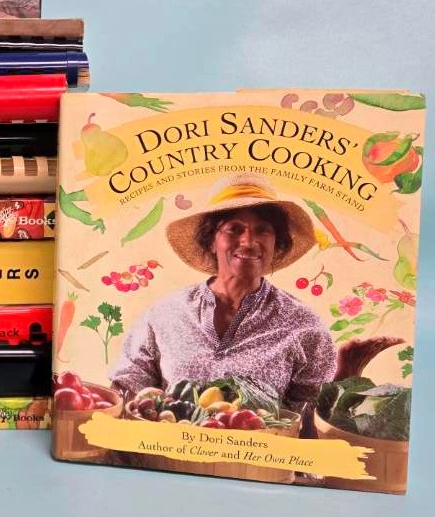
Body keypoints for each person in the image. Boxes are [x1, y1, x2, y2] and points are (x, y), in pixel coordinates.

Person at [108, 173, 398, 410]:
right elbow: (125, 393)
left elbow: (310, 427)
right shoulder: (166, 314)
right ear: (211, 241)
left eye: (263, 230)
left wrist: (347, 372)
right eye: (234, 229)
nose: (248, 242)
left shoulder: (304, 326)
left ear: (277, 244)